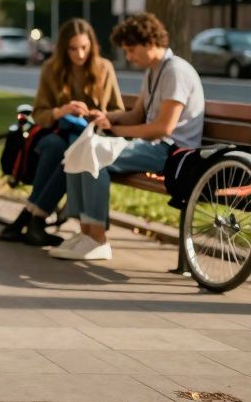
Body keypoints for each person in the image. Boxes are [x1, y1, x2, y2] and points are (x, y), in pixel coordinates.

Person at [50, 13, 206, 261]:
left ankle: (97, 239)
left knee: (96, 155)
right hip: (153, 146)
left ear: (149, 42)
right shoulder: (155, 71)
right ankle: (85, 232)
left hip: (172, 152)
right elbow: (136, 115)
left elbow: (163, 128)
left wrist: (118, 132)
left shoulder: (176, 71)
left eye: (132, 50)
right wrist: (108, 118)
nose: (130, 57)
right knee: (81, 148)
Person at [0, 19, 123, 246]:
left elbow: (117, 110)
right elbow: (40, 113)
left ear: (92, 46)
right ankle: (35, 221)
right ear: (64, 49)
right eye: (73, 49)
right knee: (57, 147)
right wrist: (62, 110)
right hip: (55, 130)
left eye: (84, 47)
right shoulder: (52, 68)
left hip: (88, 135)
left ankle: (29, 219)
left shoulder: (104, 67)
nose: (79, 54)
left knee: (71, 150)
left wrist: (100, 115)